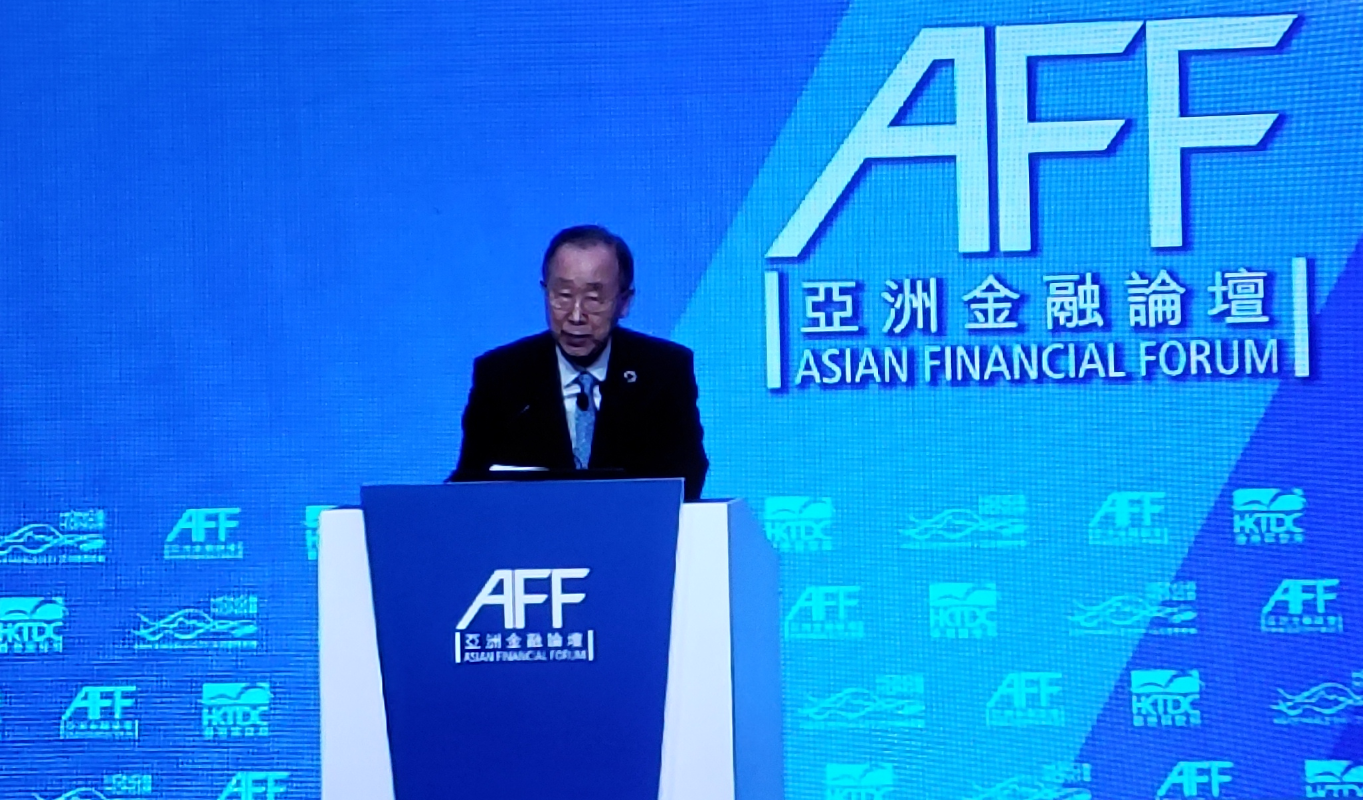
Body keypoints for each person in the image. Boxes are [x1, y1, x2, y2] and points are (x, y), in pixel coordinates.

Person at [452, 225, 708, 500]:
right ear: (545, 293)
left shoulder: (664, 371)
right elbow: (469, 482)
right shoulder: (501, 375)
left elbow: (686, 475)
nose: (576, 316)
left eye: (594, 299)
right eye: (563, 296)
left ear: (624, 302)